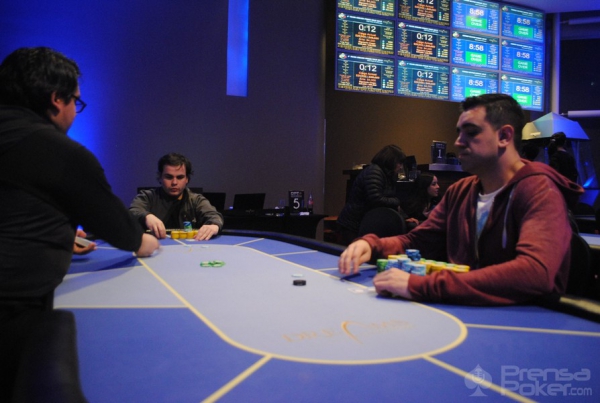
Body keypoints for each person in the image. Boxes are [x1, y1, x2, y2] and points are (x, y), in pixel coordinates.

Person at [0, 47, 159, 401]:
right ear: (57, 99)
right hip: (11, 315)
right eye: (76, 101)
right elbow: (125, 234)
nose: (75, 110)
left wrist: (57, 229)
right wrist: (146, 241)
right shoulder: (62, 153)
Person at [339, 94, 584, 306]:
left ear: (504, 136)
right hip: (468, 311)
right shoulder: (461, 191)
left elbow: (534, 274)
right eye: (459, 133)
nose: (458, 142)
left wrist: (422, 285)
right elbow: (417, 241)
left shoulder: (540, 190)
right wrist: (372, 245)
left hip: (525, 322)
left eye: (471, 132)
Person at [129, 153, 224, 240]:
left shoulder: (196, 200)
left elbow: (214, 216)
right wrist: (146, 216)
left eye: (180, 177)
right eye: (169, 177)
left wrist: (214, 225)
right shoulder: (147, 196)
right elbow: (133, 211)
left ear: (187, 179)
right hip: (153, 246)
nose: (174, 182)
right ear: (160, 178)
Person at [336, 145, 406, 245]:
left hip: (359, 222)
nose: (401, 167)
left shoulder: (383, 173)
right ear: (391, 161)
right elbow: (376, 199)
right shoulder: (375, 171)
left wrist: (405, 217)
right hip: (353, 224)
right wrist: (397, 202)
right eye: (399, 163)